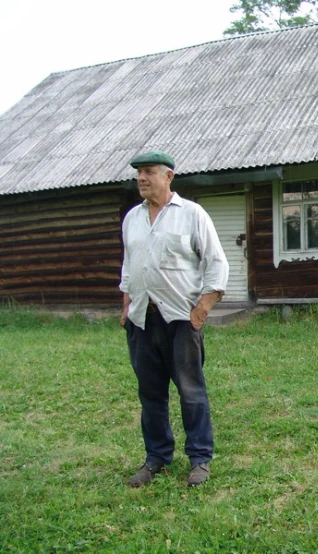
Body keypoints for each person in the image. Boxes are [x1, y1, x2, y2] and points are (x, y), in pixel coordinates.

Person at [120, 150, 229, 487]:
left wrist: (202, 309)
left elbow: (216, 263)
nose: (141, 178)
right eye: (138, 172)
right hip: (142, 320)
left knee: (191, 391)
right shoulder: (131, 219)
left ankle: (199, 459)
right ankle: (156, 458)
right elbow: (129, 267)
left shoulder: (192, 214)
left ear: (168, 176)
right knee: (150, 394)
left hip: (182, 319)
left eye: (149, 171)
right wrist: (126, 308)